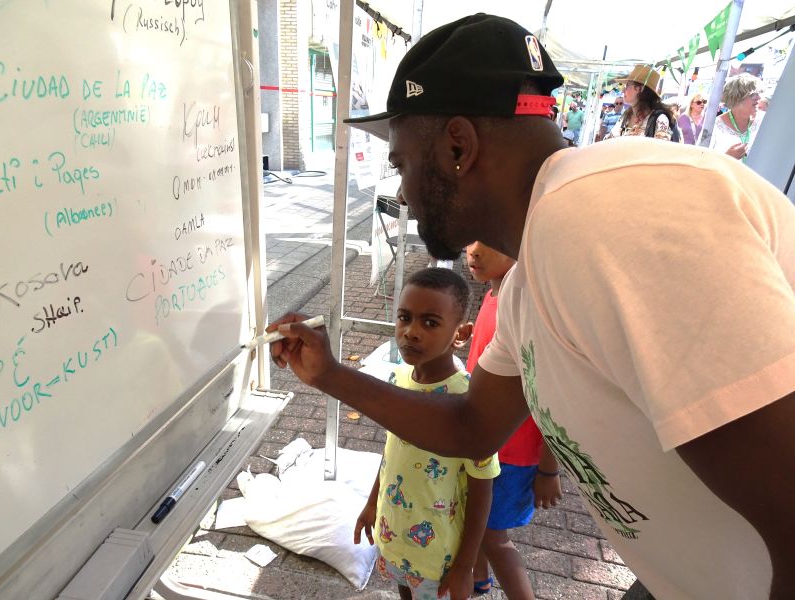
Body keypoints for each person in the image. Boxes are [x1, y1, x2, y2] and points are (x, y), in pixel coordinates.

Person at [271, 14, 795, 600]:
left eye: (402, 165)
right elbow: (473, 426)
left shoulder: (607, 219)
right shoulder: (532, 272)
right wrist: (329, 375)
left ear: (457, 146)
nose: (403, 193)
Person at [354, 267, 500, 600]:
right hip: (395, 533)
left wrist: (466, 564)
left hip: (438, 556)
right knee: (404, 590)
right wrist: (372, 502)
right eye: (404, 318)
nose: (411, 332)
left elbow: (482, 488)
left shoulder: (468, 402)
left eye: (430, 323)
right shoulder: (399, 379)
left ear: (461, 334)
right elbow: (391, 452)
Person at [465, 241, 562, 598]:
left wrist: (549, 469)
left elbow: (552, 397)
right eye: (471, 240)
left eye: (488, 241)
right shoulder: (494, 294)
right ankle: (478, 579)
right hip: (484, 442)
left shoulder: (526, 306)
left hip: (513, 455)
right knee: (474, 520)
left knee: (494, 537)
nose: (474, 251)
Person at [605, 64, 677, 141]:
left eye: (627, 85)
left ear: (640, 88)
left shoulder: (659, 119)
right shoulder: (626, 117)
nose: (623, 90)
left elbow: (661, 147)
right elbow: (609, 140)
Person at [709, 73, 765, 162]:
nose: (759, 97)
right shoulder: (714, 127)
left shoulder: (766, 121)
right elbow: (703, 162)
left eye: (759, 93)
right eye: (753, 94)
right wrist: (727, 158)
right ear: (737, 98)